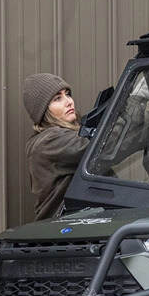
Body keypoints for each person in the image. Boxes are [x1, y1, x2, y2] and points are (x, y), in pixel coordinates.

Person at [23, 73, 89, 220]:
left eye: (68, 95)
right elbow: (100, 148)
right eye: (57, 98)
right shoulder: (49, 141)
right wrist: (134, 102)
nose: (69, 102)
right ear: (44, 111)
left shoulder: (70, 133)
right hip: (62, 230)